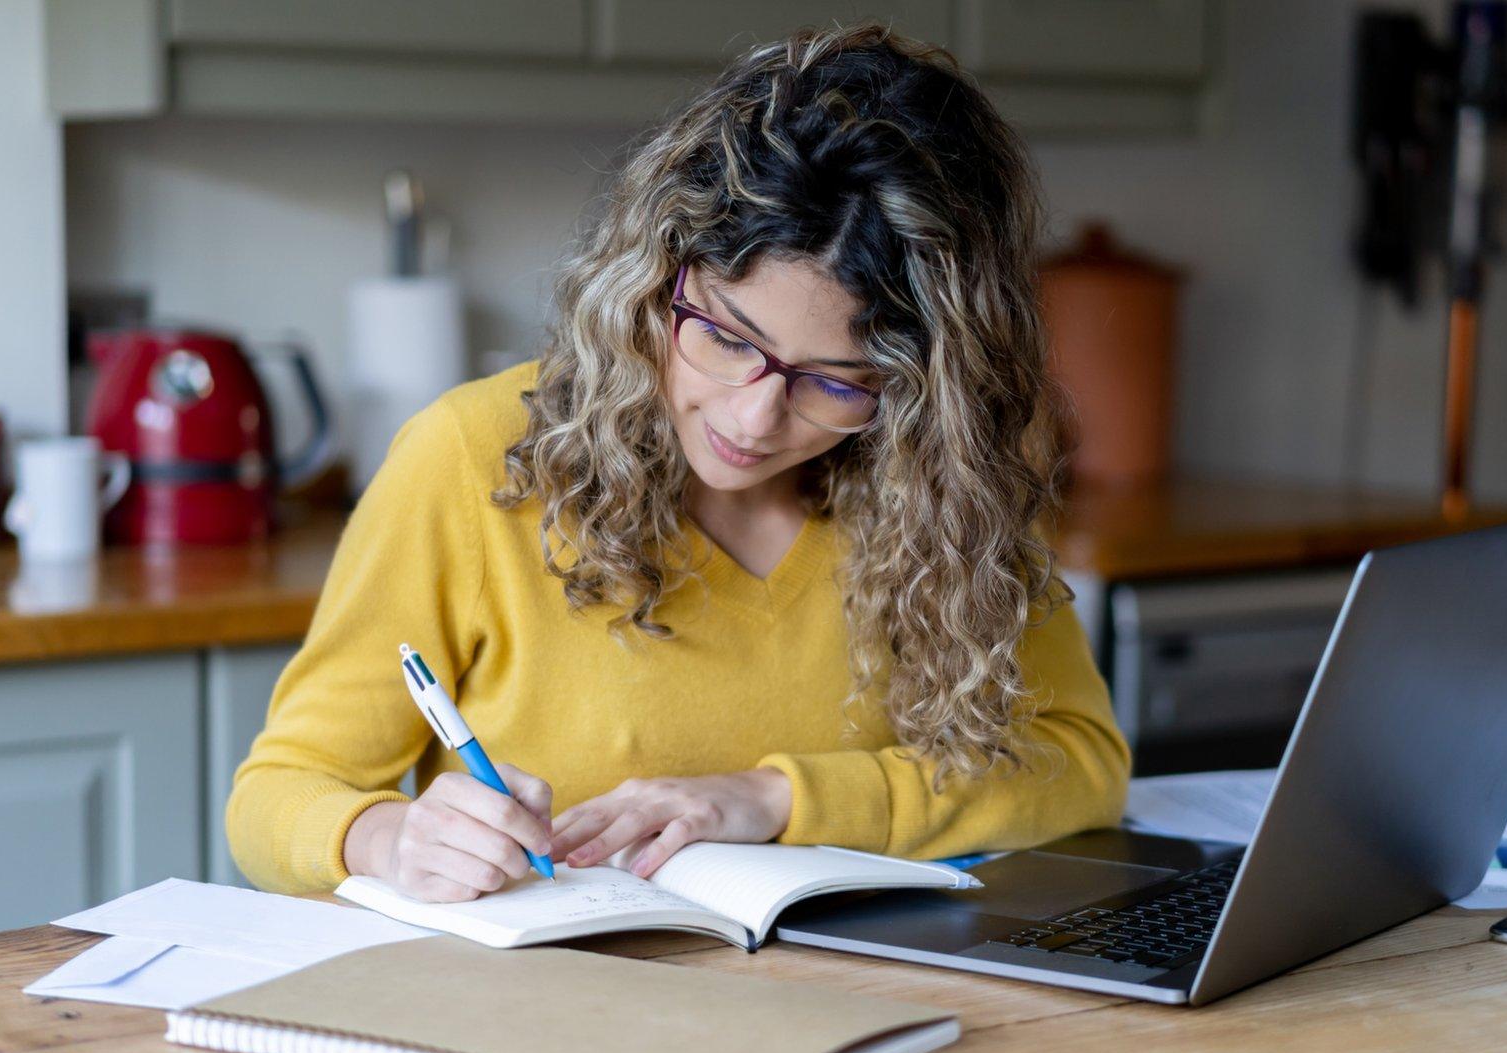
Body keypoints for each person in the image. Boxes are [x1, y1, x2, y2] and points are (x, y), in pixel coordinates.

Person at [227, 23, 1131, 899]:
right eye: (727, 340)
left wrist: (774, 800)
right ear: (656, 277)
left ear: (929, 389)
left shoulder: (944, 485)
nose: (754, 416)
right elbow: (277, 796)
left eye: (834, 382)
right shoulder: (473, 456)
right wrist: (389, 839)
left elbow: (1082, 765)